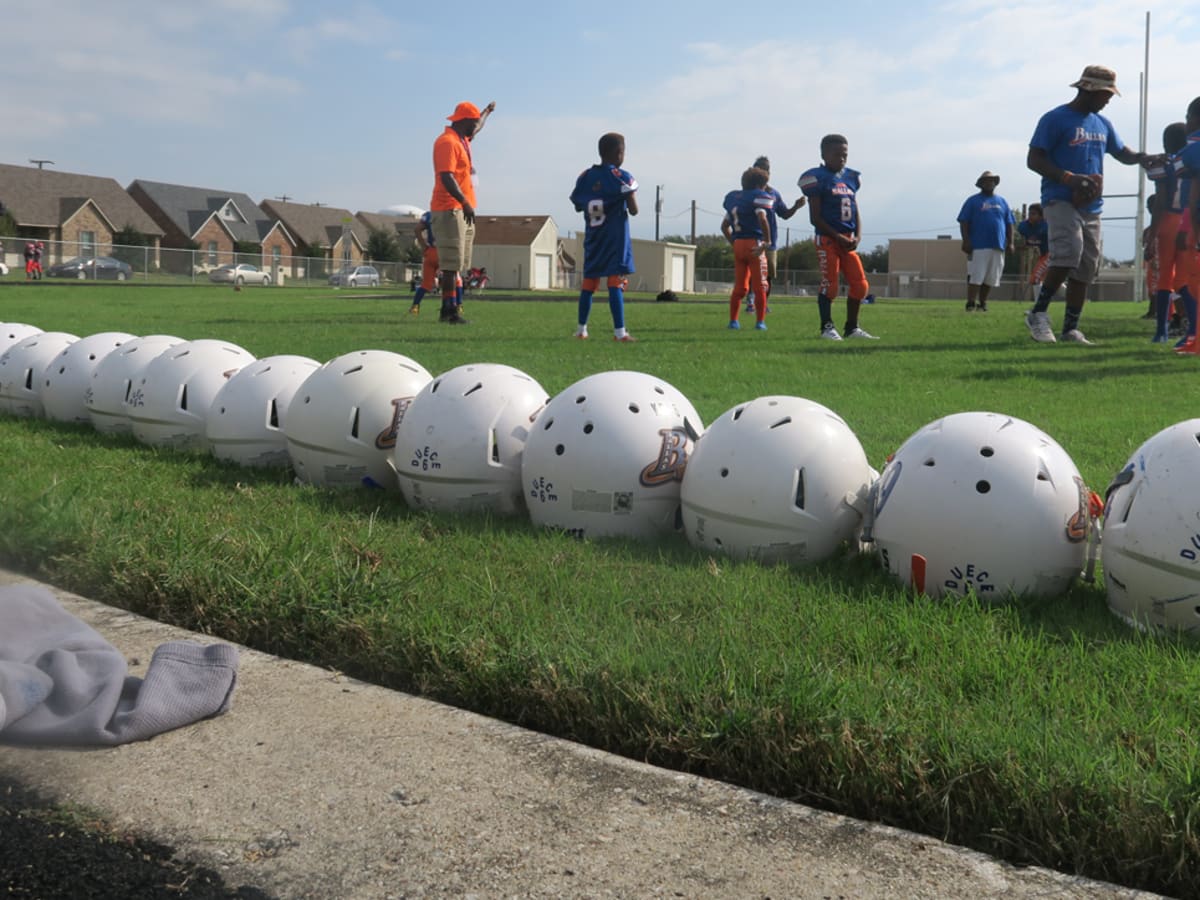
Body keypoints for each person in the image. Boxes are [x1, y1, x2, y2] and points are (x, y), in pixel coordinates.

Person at [1024, 65, 1157, 345]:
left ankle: (1070, 328)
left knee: (1086, 265)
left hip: (1091, 205)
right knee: (1069, 251)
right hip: (1060, 198)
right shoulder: (1055, 118)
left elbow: (1121, 152)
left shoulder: (1102, 123)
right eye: (1106, 94)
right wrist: (1068, 178)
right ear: (1090, 90)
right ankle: (1037, 314)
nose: (1108, 100)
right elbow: (1034, 159)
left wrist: (1144, 157)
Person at [798, 134, 877, 340]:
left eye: (845, 154)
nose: (841, 158)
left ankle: (852, 328)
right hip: (827, 239)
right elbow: (815, 218)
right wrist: (837, 237)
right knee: (830, 285)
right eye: (836, 154)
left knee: (860, 285)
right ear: (823, 154)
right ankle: (826, 327)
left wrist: (857, 237)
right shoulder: (816, 177)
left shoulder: (851, 177)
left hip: (848, 239)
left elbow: (855, 208)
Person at [429, 99, 495, 325]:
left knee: (458, 264)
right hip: (449, 208)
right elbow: (446, 176)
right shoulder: (447, 142)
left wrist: (487, 112)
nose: (475, 127)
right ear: (464, 121)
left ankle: (453, 307)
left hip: (461, 209)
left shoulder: (462, 138)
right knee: (450, 264)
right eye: (473, 122)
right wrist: (464, 202)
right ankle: (448, 311)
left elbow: (478, 127)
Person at [569, 132, 639, 342]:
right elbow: (634, 210)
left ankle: (581, 330)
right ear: (619, 153)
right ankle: (620, 332)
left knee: (589, 284)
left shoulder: (585, 177)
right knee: (615, 283)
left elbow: (577, 205)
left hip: (593, 238)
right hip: (614, 239)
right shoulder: (622, 177)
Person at [1144, 122, 1189, 342]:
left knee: (1165, 277)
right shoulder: (1190, 160)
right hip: (1188, 220)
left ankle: (1162, 330)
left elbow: (1161, 201)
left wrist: (1152, 235)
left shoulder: (1163, 165)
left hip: (1169, 221)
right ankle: (1191, 327)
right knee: (1185, 277)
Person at [743, 155, 805, 313]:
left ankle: (763, 303)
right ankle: (750, 300)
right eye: (761, 169)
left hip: (770, 242)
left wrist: (796, 206)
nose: (765, 172)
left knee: (768, 273)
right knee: (752, 272)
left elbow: (784, 214)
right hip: (752, 238)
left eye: (767, 170)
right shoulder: (748, 193)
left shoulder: (774, 194)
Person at [720, 167, 773, 331]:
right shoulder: (757, 198)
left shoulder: (734, 199)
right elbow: (762, 219)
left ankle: (733, 321)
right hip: (753, 244)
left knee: (740, 287)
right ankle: (760, 322)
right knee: (760, 286)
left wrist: (734, 243)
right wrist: (767, 241)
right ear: (759, 185)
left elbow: (724, 226)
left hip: (738, 245)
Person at [957, 172, 1013, 312]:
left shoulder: (1002, 202)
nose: (989, 183)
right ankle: (970, 303)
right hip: (978, 245)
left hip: (997, 245)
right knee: (976, 276)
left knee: (991, 277)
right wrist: (966, 240)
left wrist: (1011, 242)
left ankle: (982, 304)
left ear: (995, 183)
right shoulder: (973, 201)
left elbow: (1009, 223)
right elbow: (964, 221)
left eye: (992, 181)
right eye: (986, 181)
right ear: (981, 184)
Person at [1170, 98, 1200, 354]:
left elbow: (1193, 193)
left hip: (1195, 218)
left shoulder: (1191, 150)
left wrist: (1188, 227)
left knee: (1195, 280)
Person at [409, 211, 461, 314]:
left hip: (432, 252)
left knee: (426, 284)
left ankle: (415, 306)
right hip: (446, 251)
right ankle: (457, 306)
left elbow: (417, 229)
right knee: (456, 281)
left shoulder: (429, 215)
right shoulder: (452, 214)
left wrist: (424, 246)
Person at [1017, 203, 1051, 303]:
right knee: (1051, 280)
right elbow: (1027, 239)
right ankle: (1075, 297)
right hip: (1043, 255)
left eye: (1034, 214)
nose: (1030, 216)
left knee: (1035, 278)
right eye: (1029, 213)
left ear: (1041, 216)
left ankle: (1038, 307)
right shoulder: (1024, 226)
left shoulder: (1046, 226)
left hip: (1051, 254)